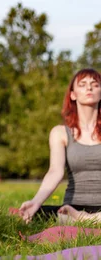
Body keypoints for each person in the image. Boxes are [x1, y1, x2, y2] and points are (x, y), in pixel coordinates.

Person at [18, 68, 101, 222]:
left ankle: (86, 220)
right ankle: (87, 219)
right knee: (37, 213)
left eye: (95, 84)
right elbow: (55, 172)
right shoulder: (60, 133)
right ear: (73, 94)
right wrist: (36, 202)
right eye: (82, 84)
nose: (89, 87)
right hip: (73, 208)